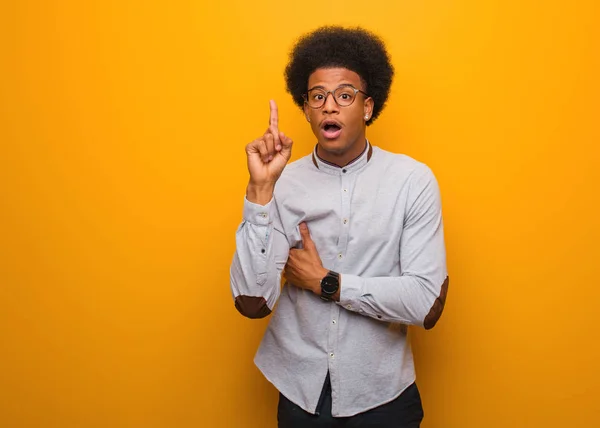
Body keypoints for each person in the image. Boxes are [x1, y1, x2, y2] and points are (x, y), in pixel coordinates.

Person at [230, 26, 449, 427]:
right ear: (307, 109)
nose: (330, 106)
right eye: (318, 97)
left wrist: (326, 282)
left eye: (344, 95)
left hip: (384, 396)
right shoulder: (282, 184)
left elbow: (426, 302)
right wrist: (259, 192)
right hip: (300, 394)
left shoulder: (412, 181)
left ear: (367, 107)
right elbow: (252, 301)